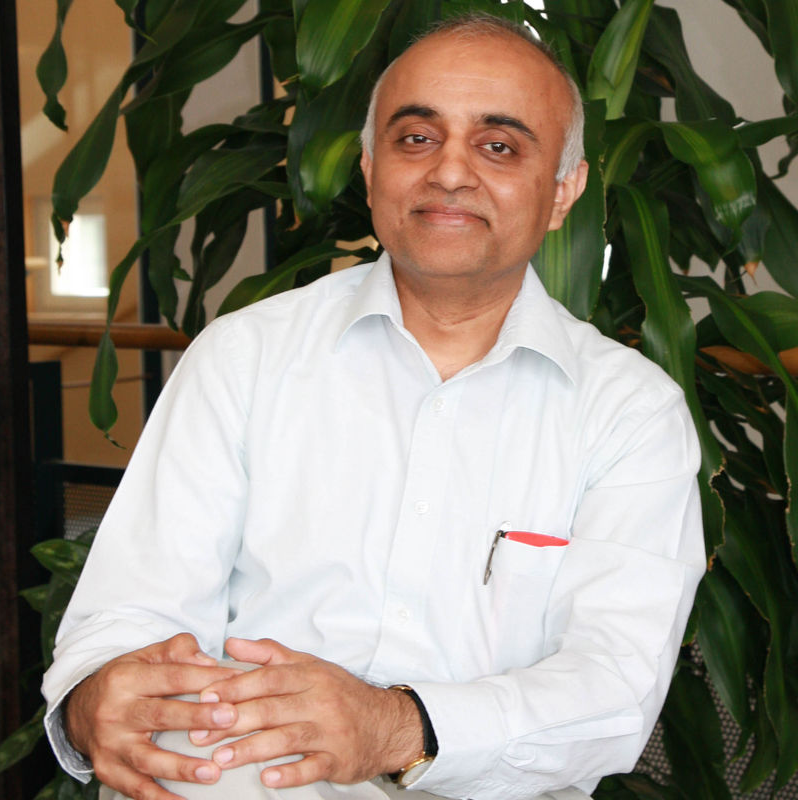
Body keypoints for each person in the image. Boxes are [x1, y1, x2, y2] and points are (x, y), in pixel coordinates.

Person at [42, 13, 705, 800]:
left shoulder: (630, 414)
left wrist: (394, 726)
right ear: (369, 169)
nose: (449, 173)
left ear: (564, 192)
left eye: (498, 146)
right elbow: (128, 616)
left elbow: (613, 689)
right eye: (416, 138)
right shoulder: (244, 357)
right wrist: (95, 699)